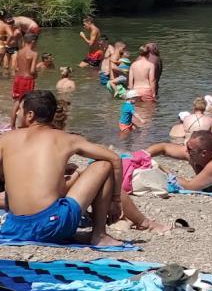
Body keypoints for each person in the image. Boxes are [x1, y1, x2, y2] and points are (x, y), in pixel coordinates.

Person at [0, 91, 123, 246]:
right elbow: (115, 159)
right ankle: (99, 235)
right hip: (52, 226)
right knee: (103, 165)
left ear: (30, 115)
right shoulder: (66, 139)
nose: (16, 113)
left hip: (14, 228)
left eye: (20, 109)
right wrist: (115, 201)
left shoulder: (5, 139)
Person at [10, 34, 39, 125]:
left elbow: (15, 67)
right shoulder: (34, 54)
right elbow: (32, 70)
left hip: (18, 79)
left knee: (17, 102)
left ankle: (12, 125)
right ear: (33, 42)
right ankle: (24, 124)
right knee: (25, 102)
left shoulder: (19, 52)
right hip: (27, 80)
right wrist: (36, 75)